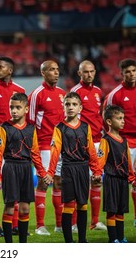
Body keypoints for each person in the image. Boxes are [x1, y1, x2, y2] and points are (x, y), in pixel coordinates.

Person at [0, 93, 50, 243]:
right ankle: (9, 245)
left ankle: (23, 244)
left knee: (25, 208)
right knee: (10, 206)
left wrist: (42, 173)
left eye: (18, 107)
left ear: (26, 109)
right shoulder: (3, 128)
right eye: (11, 107)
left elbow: (35, 153)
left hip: (26, 168)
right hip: (10, 168)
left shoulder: (31, 129)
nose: (14, 110)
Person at [47, 92, 101, 243]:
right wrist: (51, 172)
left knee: (83, 204)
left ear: (80, 108)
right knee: (69, 204)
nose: (70, 107)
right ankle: (69, 242)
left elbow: (91, 150)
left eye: (74, 104)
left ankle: (82, 240)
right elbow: (55, 152)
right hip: (69, 169)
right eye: (67, 104)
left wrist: (96, 170)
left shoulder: (85, 127)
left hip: (83, 168)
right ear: (63, 107)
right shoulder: (59, 128)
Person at [0, 56, 25, 237]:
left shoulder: (20, 90)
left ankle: (15, 225)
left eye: (0, 67)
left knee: (15, 184)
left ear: (10, 70)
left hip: (16, 146)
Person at [28, 60, 66, 236]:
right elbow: (30, 122)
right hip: (43, 146)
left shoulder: (62, 94)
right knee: (43, 183)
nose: (56, 73)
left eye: (57, 70)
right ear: (43, 73)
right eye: (51, 70)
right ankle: (40, 225)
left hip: (60, 146)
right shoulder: (37, 94)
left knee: (59, 183)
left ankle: (59, 225)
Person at [70, 60, 106, 231]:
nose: (89, 74)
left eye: (92, 71)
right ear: (79, 74)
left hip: (98, 142)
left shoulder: (99, 91)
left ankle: (95, 221)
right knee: (80, 183)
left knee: (97, 181)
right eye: (86, 72)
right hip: (82, 143)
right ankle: (76, 222)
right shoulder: (75, 92)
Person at [103, 58, 136, 226]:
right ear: (122, 74)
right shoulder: (114, 95)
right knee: (127, 180)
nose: (131, 74)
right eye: (128, 71)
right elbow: (106, 118)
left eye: (133, 71)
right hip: (125, 143)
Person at [97, 105, 136, 243]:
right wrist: (97, 173)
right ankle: (113, 239)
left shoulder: (124, 141)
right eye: (119, 118)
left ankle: (121, 237)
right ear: (109, 122)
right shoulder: (106, 140)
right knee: (112, 210)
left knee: (121, 210)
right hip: (111, 179)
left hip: (123, 180)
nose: (123, 121)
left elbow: (128, 161)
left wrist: (132, 177)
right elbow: (100, 159)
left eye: (123, 118)